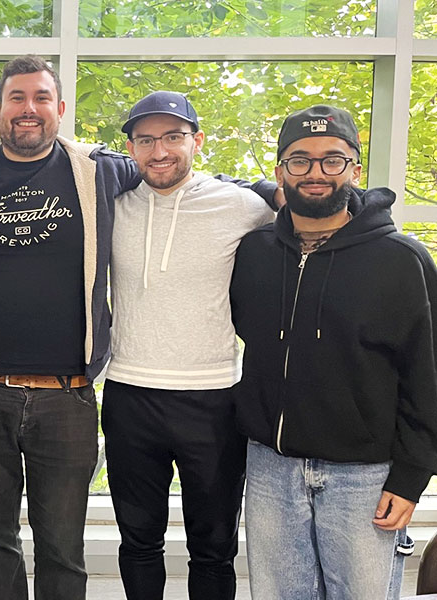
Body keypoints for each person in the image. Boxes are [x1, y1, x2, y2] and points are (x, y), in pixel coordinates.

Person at [0, 55, 277, 600]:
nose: (29, 110)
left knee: (63, 546)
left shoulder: (97, 171)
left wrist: (276, 189)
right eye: (17, 98)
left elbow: (171, 166)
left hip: (67, 397)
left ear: (60, 109)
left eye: (41, 98)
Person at [231, 104, 437, 600]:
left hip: (365, 478)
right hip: (271, 471)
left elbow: (428, 378)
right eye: (300, 160)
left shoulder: (402, 261)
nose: (316, 172)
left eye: (333, 159)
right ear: (281, 170)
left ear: (355, 169)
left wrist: (411, 478)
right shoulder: (255, 253)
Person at [103, 91, 274, 600]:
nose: (160, 151)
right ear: (130, 148)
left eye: (173, 137)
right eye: (146, 140)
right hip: (130, 393)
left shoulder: (243, 205)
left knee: (214, 545)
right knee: (137, 541)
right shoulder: (112, 207)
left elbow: (305, 221)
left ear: (197, 141)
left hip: (214, 398)